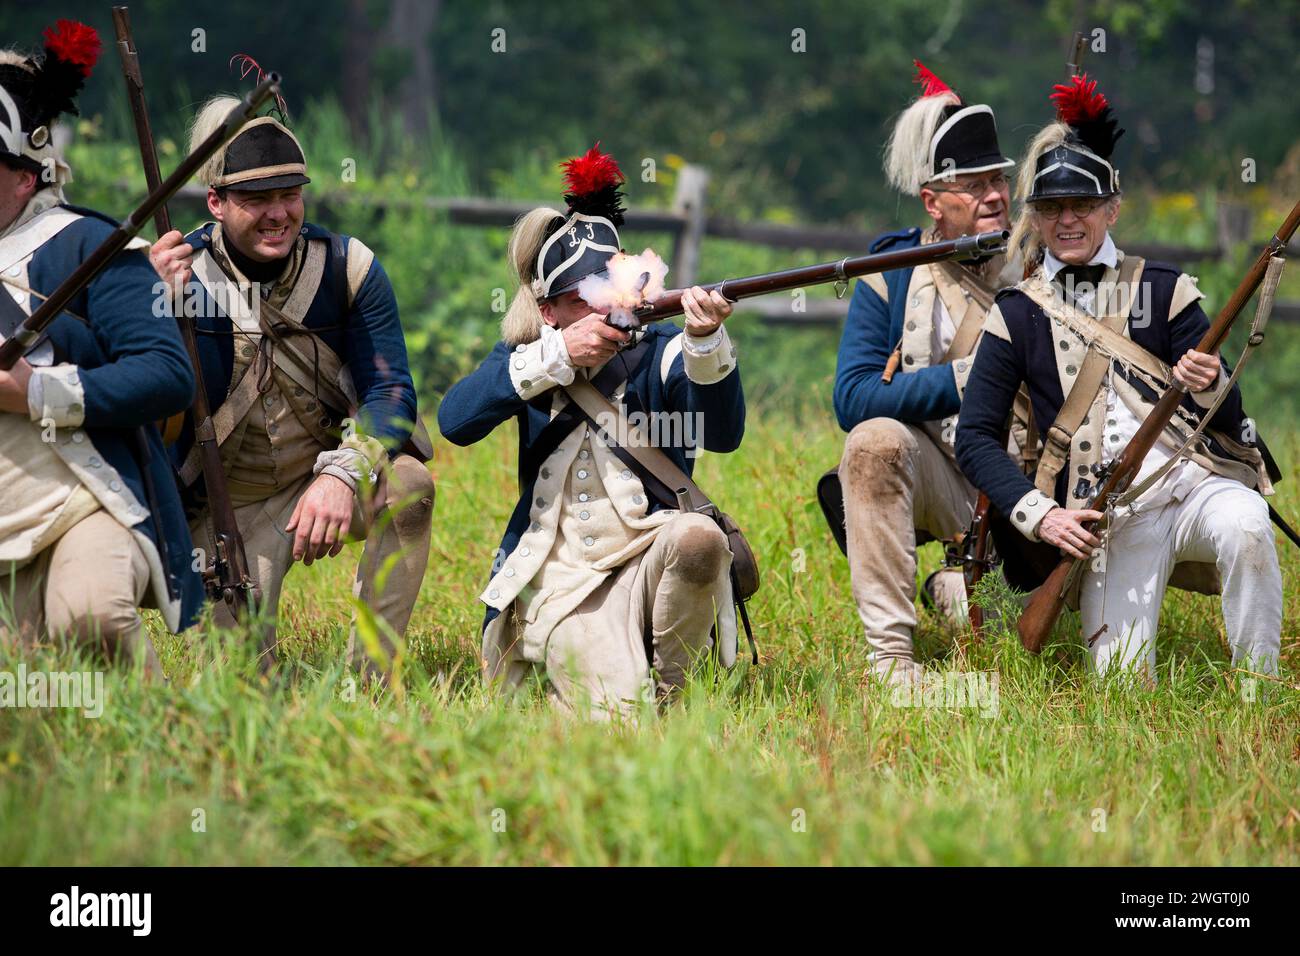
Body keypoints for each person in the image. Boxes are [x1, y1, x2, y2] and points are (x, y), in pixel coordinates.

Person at [955, 75, 1281, 680]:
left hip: (1193, 484)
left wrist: (1207, 382)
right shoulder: (1018, 312)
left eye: (1083, 206)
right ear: (1035, 217)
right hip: (1110, 514)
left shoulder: (1166, 289)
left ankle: (1260, 694)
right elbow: (974, 436)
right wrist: (1041, 515)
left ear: (1112, 209)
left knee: (1248, 527)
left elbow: (1230, 421)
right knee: (1122, 686)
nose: (1068, 220)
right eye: (1052, 209)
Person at [438, 145, 745, 719]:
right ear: (548, 311)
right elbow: (454, 422)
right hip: (563, 577)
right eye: (581, 300)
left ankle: (678, 688)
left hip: (646, 557)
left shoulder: (664, 354)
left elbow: (725, 434)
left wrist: (705, 343)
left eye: (607, 290)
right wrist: (556, 357)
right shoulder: (530, 358)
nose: (602, 309)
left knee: (700, 537)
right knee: (615, 720)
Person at [149, 85, 434, 673]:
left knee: (407, 484)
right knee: (241, 689)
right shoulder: (173, 279)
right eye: (256, 198)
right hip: (224, 505)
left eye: (288, 195)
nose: (278, 212)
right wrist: (150, 308)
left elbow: (393, 393)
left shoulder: (348, 268)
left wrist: (341, 473)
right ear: (216, 203)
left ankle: (373, 680)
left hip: (320, 475)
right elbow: (142, 404)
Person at [0, 20, 201, 673]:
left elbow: (166, 376)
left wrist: (37, 392)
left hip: (87, 494)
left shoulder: (87, 246)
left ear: (25, 177)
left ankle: (182, 746)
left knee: (90, 618)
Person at [832, 61, 1021, 685]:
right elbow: (855, 398)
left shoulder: (1043, 262)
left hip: (1045, 478)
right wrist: (973, 377)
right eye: (973, 184)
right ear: (933, 202)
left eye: (999, 179)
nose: (994, 195)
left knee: (1020, 637)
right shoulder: (892, 273)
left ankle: (970, 584)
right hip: (957, 480)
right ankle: (892, 665)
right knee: (872, 444)